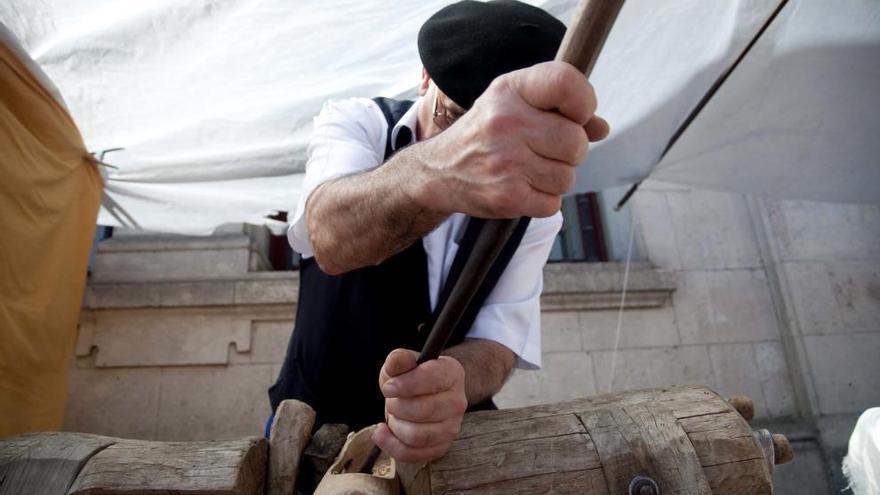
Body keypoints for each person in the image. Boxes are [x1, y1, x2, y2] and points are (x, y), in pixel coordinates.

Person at [269, 0, 609, 464]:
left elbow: (501, 336)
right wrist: (443, 171)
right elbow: (328, 237)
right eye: (453, 118)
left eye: (492, 139)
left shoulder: (536, 210)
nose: (480, 152)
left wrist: (455, 382)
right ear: (425, 76)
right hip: (311, 431)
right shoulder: (360, 123)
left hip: (448, 442)